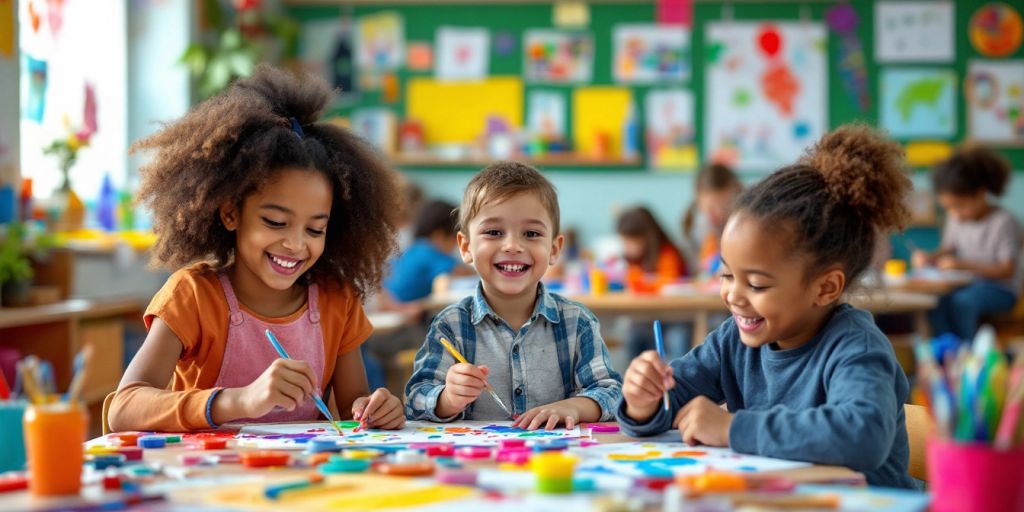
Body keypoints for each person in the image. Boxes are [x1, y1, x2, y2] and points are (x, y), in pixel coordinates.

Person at [617, 125, 917, 489]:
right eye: (727, 275)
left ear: (825, 288)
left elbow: (862, 436)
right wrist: (642, 399)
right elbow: (674, 398)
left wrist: (732, 428)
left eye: (757, 284)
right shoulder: (733, 340)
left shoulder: (856, 347)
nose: (734, 296)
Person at [108, 65, 405, 432]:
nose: (296, 244)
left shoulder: (336, 300)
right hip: (208, 480)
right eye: (275, 223)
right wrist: (240, 400)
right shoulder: (193, 296)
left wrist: (374, 408)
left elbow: (352, 408)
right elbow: (123, 408)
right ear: (231, 213)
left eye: (315, 229)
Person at [405, 161, 622, 430]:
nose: (512, 246)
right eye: (494, 232)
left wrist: (573, 406)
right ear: (466, 246)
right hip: (480, 464)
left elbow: (611, 393)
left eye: (531, 234)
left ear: (554, 249)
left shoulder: (577, 322)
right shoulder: (450, 325)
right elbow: (416, 399)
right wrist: (447, 398)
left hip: (558, 460)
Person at [912, 145, 1021, 340]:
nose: (954, 213)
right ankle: (947, 351)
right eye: (949, 208)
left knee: (963, 301)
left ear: (980, 194)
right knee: (935, 301)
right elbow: (948, 248)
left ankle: (968, 354)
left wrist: (964, 265)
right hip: (968, 285)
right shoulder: (956, 219)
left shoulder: (1003, 222)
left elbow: (1007, 270)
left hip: (1002, 290)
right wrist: (929, 257)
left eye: (959, 206)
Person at [682, 162, 742, 275]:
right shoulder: (693, 227)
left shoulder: (746, 222)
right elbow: (692, 267)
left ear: (736, 195)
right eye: (711, 208)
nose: (718, 213)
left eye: (725, 205)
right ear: (698, 201)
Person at [618, 206, 688, 290]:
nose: (627, 247)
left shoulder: (667, 254)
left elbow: (670, 281)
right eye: (624, 242)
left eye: (631, 242)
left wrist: (643, 282)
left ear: (648, 237)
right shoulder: (635, 260)